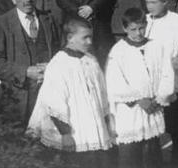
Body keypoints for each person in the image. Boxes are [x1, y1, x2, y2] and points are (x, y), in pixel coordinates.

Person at [26, 17, 114, 168]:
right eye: (85, 38)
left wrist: (107, 123)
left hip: (94, 128)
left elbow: (102, 94)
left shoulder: (91, 61)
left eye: (91, 37)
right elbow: (54, 101)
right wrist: (65, 134)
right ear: (70, 38)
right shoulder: (59, 63)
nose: (89, 42)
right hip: (74, 131)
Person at [0, 0, 61, 123]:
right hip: (17, 97)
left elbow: (59, 54)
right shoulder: (0, 24)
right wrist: (25, 71)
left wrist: (51, 68)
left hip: (48, 94)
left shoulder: (48, 20)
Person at [106, 7, 175, 168]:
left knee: (151, 153)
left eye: (141, 28)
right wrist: (138, 99)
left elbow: (167, 74)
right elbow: (114, 81)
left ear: (146, 24)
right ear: (125, 29)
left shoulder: (157, 46)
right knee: (131, 154)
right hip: (131, 111)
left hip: (153, 107)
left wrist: (160, 98)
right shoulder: (119, 51)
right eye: (133, 29)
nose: (138, 33)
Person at [141, 0, 178, 165]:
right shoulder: (145, 21)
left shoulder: (177, 22)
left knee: (174, 125)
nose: (150, 7)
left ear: (165, 1)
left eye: (154, 3)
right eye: (147, 3)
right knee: (151, 124)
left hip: (172, 78)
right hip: (150, 78)